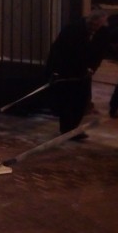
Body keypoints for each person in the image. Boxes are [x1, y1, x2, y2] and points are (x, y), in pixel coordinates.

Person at [45, 10, 110, 138]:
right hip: (68, 72)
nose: (94, 29)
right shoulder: (72, 30)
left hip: (84, 73)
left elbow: (99, 53)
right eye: (92, 25)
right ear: (89, 20)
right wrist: (56, 71)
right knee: (68, 102)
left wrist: (92, 68)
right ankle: (66, 129)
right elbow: (58, 51)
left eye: (97, 26)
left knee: (81, 102)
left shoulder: (101, 32)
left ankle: (73, 128)